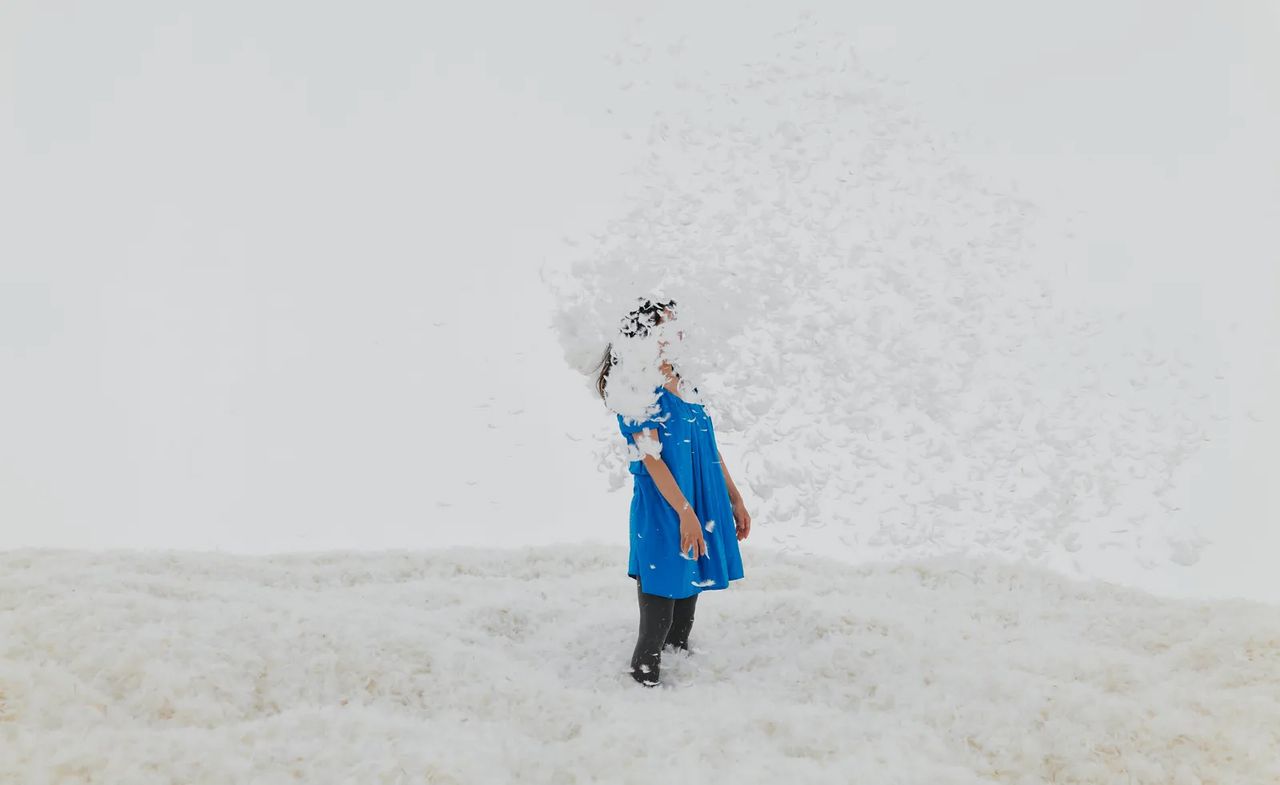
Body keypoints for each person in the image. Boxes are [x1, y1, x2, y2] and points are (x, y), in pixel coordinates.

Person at [593, 297, 750, 687]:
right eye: (666, 325)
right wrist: (685, 512)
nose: (676, 331)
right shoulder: (634, 385)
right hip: (665, 505)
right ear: (644, 334)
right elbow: (652, 460)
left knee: (687, 600)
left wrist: (734, 495)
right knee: (661, 604)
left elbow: (708, 445)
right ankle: (642, 688)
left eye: (675, 323)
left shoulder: (687, 379)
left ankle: (681, 699)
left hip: (699, 498)